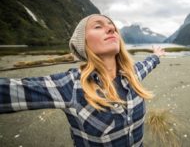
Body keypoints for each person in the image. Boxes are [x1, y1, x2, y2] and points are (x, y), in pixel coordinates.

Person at [0, 14, 165, 146]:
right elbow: (12, 91)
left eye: (111, 26)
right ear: (82, 44)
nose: (111, 28)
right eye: (98, 26)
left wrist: (156, 55)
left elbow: (147, 64)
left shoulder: (132, 74)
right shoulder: (71, 86)